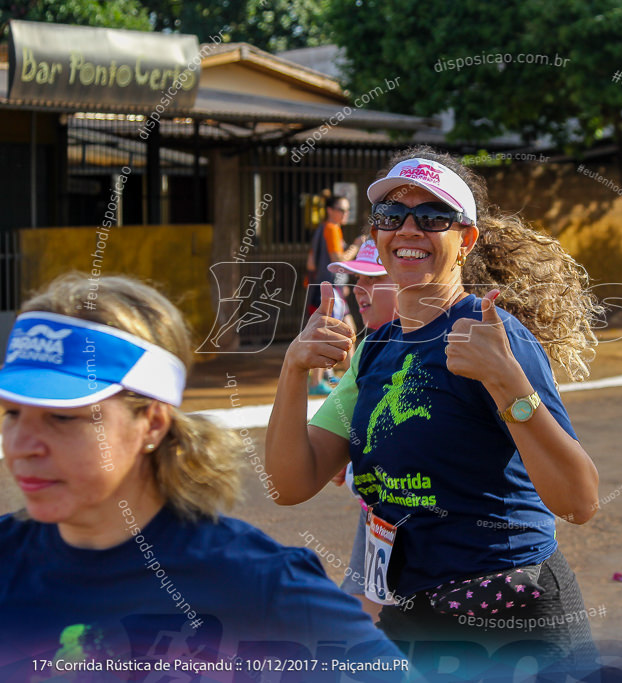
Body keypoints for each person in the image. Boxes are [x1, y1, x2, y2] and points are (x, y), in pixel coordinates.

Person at [266, 147, 602, 675]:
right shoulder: (378, 350)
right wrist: (292, 373)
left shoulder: (494, 334)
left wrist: (507, 381)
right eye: (392, 216)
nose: (408, 229)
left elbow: (579, 500)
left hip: (513, 610)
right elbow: (290, 485)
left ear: (465, 239)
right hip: (418, 615)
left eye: (433, 217)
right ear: (376, 233)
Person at [0, 273, 406, 676]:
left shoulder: (259, 583)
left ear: (153, 423)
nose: (21, 445)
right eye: (13, 413)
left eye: (61, 418)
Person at [321, 238, 399, 620]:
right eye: (357, 280)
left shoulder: (432, 349)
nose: (358, 291)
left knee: (367, 619)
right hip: (378, 515)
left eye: (373, 280)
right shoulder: (372, 346)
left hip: (410, 515)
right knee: (361, 613)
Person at [306, 193, 361, 395]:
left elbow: (311, 263)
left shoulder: (321, 229)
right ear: (330, 211)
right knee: (334, 334)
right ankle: (321, 382)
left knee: (344, 331)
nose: (346, 213)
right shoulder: (332, 229)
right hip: (329, 290)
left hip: (325, 288)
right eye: (342, 210)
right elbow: (340, 259)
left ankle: (347, 377)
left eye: (347, 210)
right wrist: (356, 245)